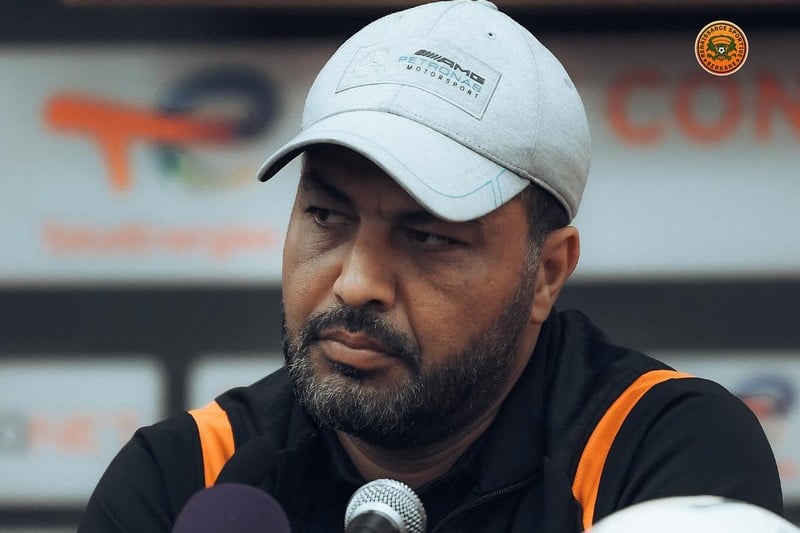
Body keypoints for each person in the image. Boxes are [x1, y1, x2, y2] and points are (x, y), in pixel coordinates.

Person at [78, 1, 784, 532]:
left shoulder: (656, 450)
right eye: (326, 216)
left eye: (426, 237)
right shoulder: (189, 479)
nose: (357, 283)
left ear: (547, 272)